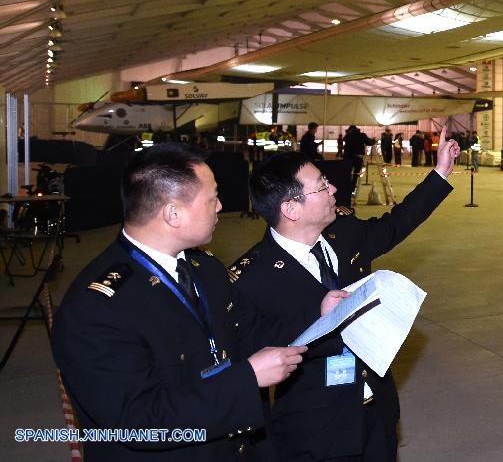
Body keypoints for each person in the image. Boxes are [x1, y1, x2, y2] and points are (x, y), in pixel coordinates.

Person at [50, 143, 348, 462]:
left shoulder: (204, 269)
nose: (220, 206)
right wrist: (246, 379)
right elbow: (139, 422)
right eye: (212, 199)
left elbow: (247, 333)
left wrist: (320, 315)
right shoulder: (97, 308)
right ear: (173, 214)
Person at [233, 127, 460, 462]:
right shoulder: (252, 277)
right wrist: (316, 314)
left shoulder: (344, 232)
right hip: (318, 431)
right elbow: (248, 359)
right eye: (323, 186)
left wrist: (440, 172)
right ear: (291, 209)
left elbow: (397, 224)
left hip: (377, 412)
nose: (334, 189)